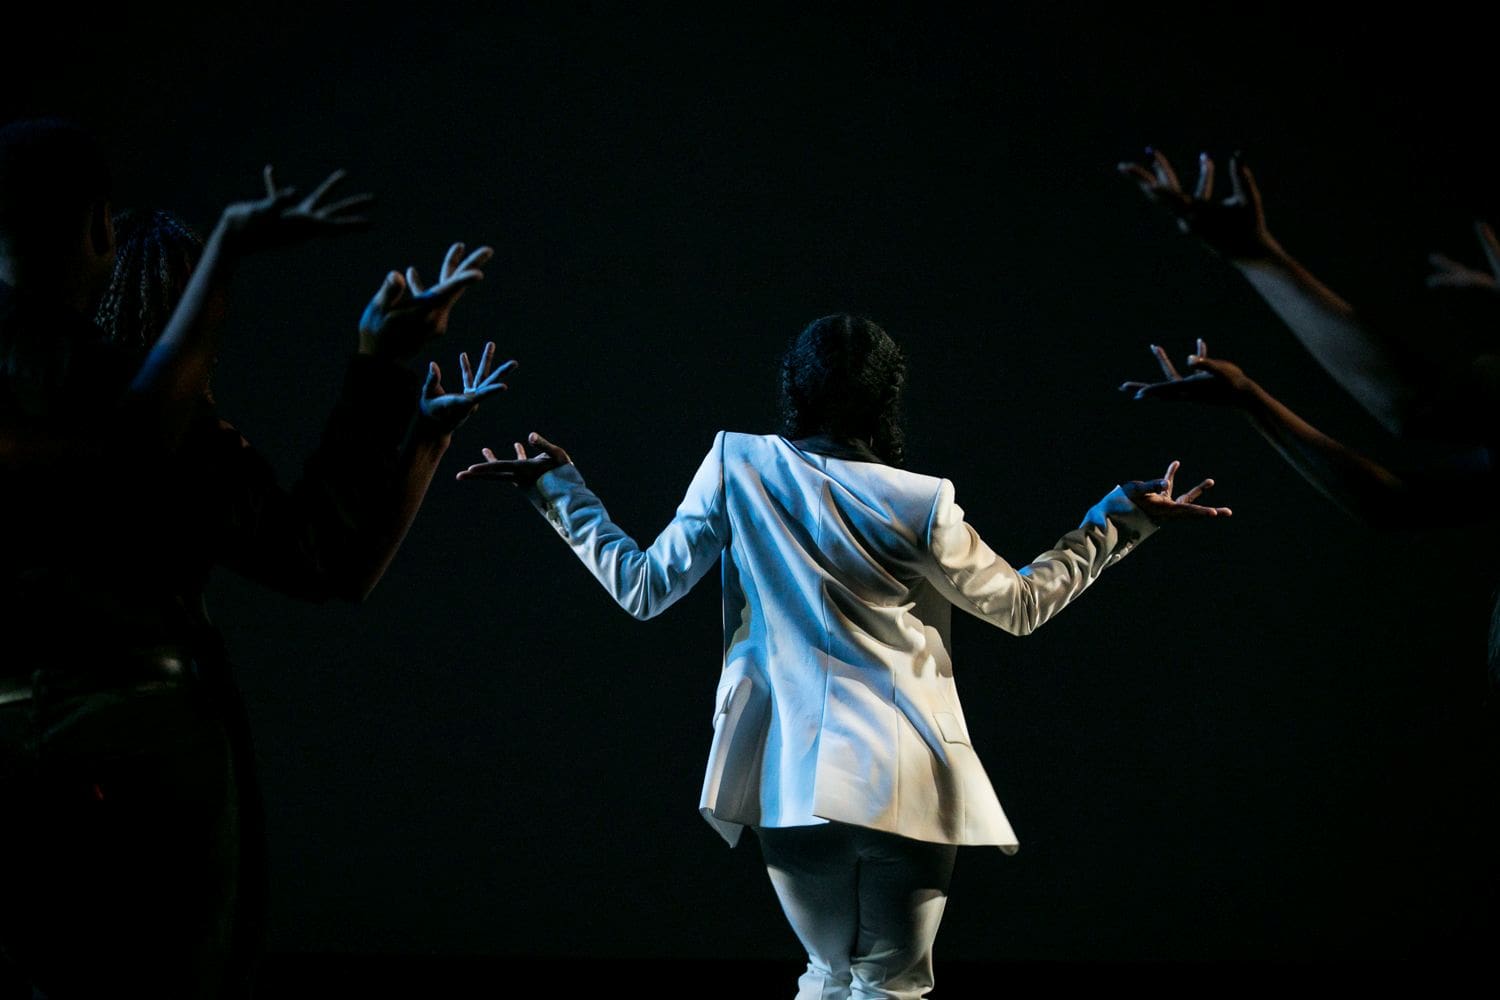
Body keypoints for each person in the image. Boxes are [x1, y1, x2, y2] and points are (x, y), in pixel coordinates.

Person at [458, 313, 1229, 998]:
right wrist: (1118, 520)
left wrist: (559, 490)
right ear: (888, 398)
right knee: (891, 986)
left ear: (794, 387)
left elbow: (643, 587)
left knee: (827, 978)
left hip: (791, 778)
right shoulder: (922, 501)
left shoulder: (738, 465)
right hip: (907, 778)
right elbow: (1022, 606)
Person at [0, 117, 512, 999]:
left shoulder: (51, 401)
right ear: (96, 229)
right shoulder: (159, 435)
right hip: (141, 753)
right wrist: (378, 368)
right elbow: (320, 558)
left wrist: (421, 434)